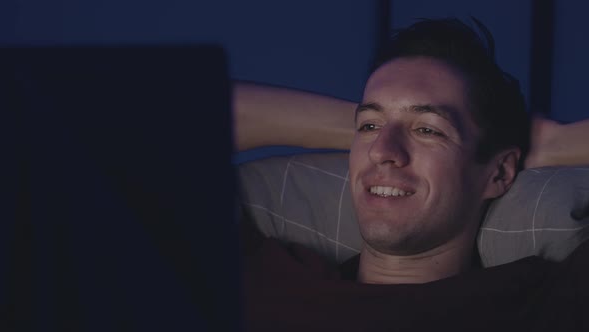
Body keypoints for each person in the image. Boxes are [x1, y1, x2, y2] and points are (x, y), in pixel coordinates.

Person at [236, 18, 589, 331]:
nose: (382, 152)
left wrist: (553, 142)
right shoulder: (271, 279)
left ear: (498, 173)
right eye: (369, 126)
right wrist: (388, 122)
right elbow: (187, 110)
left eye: (429, 131)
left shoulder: (543, 304)